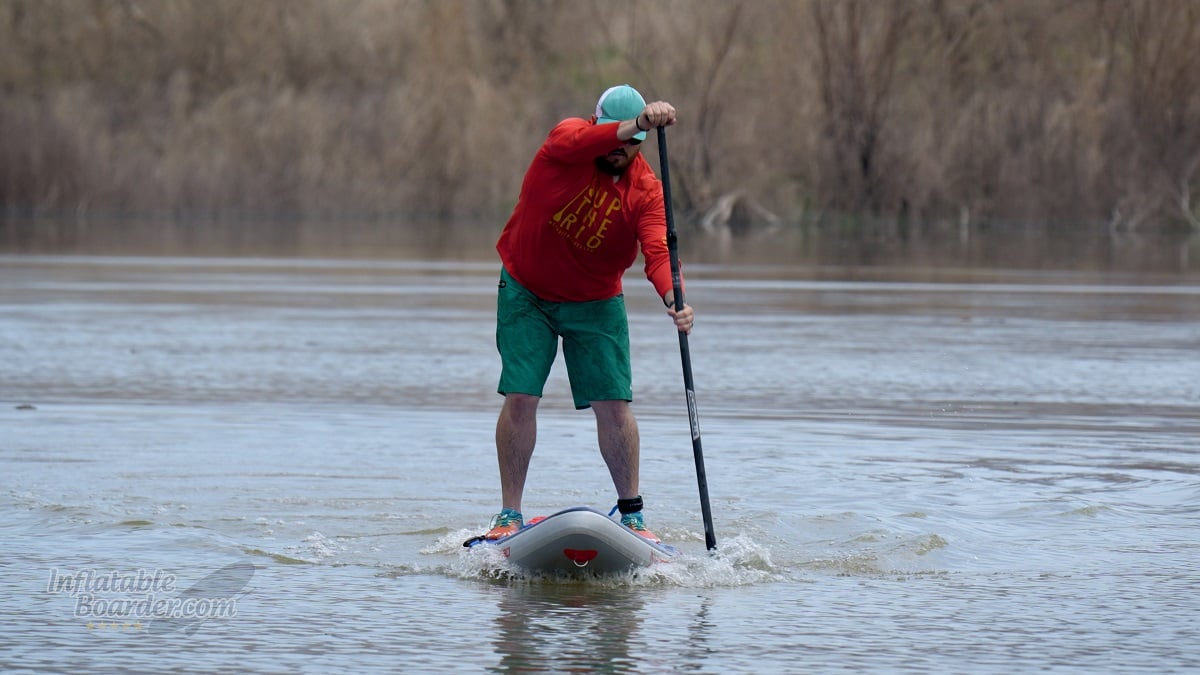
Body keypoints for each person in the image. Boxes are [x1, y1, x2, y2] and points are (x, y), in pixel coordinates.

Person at [485, 84, 694, 543]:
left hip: (596, 303)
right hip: (526, 291)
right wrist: (635, 126)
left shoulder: (645, 192)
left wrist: (673, 297)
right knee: (521, 396)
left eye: (632, 146)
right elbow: (579, 141)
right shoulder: (566, 141)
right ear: (598, 125)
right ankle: (508, 516)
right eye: (615, 138)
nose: (620, 151)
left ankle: (633, 515)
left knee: (614, 406)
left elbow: (658, 252)